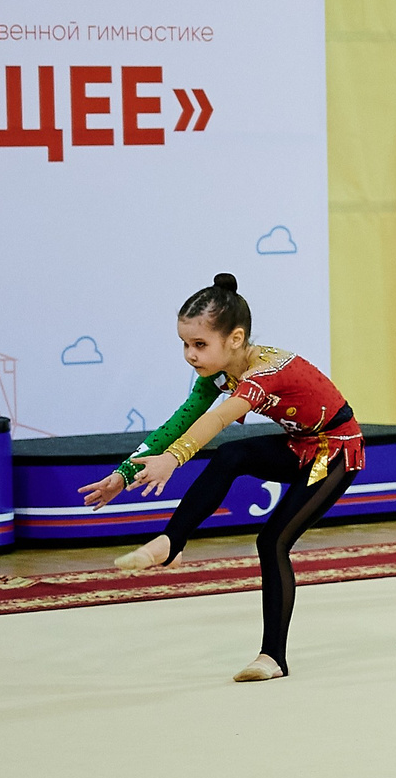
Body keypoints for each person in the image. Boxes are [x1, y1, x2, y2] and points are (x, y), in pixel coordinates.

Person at [79, 275, 363, 683]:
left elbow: (217, 419)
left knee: (273, 540)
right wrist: (124, 474)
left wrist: (174, 460)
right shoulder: (219, 373)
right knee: (233, 455)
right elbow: (180, 422)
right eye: (185, 344)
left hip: (337, 450)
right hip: (301, 443)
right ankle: (172, 541)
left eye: (199, 345)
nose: (190, 355)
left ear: (235, 338)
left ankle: (273, 657)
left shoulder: (264, 373)